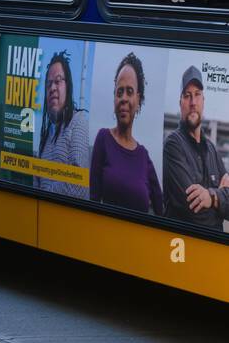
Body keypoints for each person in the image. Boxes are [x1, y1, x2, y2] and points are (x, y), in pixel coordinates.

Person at [89, 52, 163, 214]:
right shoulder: (103, 139)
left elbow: (162, 211)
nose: (123, 98)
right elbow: (92, 203)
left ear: (138, 100)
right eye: (119, 91)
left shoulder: (144, 157)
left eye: (129, 91)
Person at [162, 65, 229, 228]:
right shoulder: (172, 145)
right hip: (180, 248)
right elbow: (194, 215)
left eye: (197, 95)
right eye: (187, 96)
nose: (193, 102)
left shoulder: (212, 151)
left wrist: (211, 197)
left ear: (203, 101)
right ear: (180, 103)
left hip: (211, 250)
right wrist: (221, 199)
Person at [35, 51, 89, 199]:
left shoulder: (78, 120)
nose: (52, 88)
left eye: (58, 81)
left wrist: (43, 194)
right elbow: (36, 183)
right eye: (48, 84)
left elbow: (79, 185)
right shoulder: (45, 138)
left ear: (68, 86)